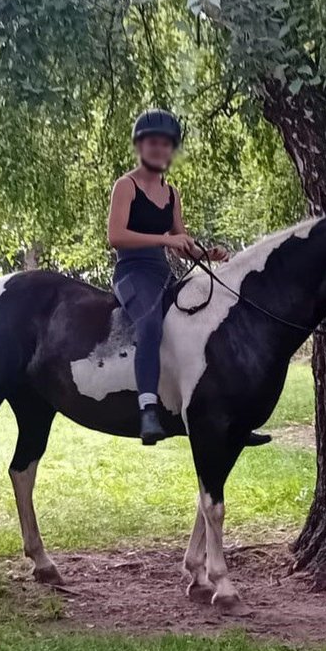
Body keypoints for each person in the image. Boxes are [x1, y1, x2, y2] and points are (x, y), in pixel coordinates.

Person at [107, 109, 230, 445]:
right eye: (152, 143)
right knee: (150, 325)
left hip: (163, 273)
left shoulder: (171, 193)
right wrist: (165, 240)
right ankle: (147, 408)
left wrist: (205, 254)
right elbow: (116, 236)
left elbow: (181, 242)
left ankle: (220, 409)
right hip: (132, 272)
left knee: (206, 322)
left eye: (165, 144)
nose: (159, 149)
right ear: (140, 147)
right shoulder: (126, 185)